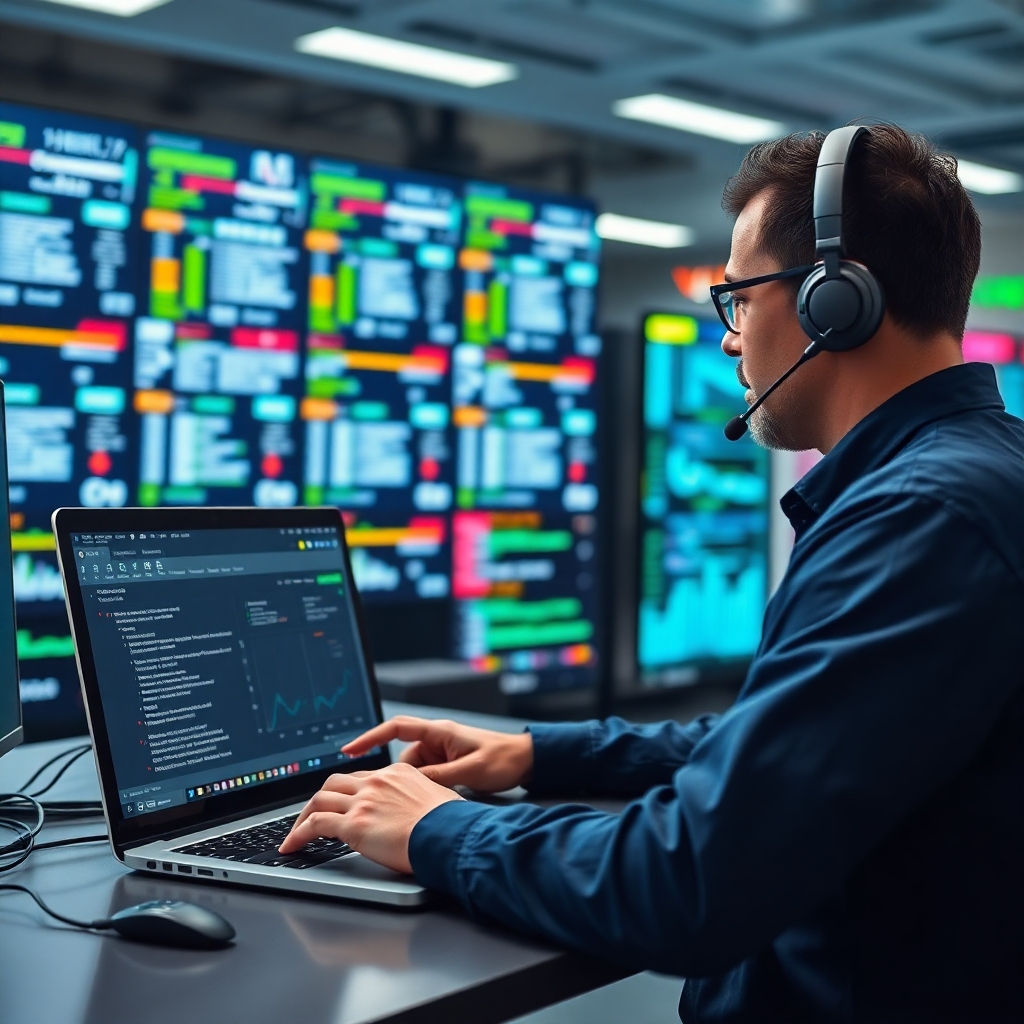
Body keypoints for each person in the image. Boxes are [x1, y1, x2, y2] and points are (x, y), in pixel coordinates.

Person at [281, 124, 1024, 1022]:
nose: (729, 340)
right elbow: (814, 743)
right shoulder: (976, 478)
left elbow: (693, 884)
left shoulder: (919, 520)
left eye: (738, 300)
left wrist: (439, 829)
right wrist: (541, 753)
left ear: (835, 302)